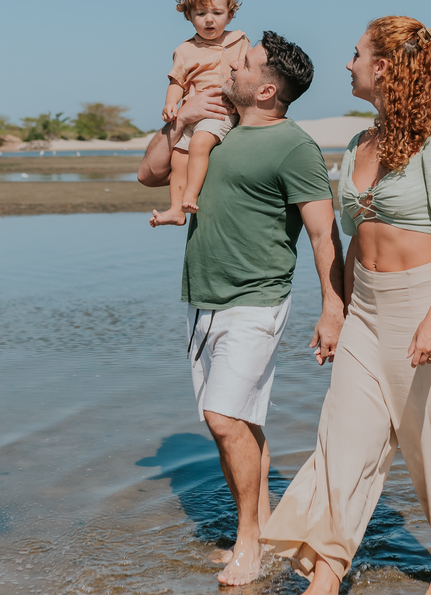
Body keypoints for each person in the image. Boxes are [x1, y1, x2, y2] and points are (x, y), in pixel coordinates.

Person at [260, 16, 431, 595]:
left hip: (422, 305)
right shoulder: (362, 141)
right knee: (343, 441)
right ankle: (326, 576)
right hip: (363, 309)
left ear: (384, 65)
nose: (349, 63)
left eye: (357, 53)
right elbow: (349, 239)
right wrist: (333, 308)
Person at [138, 31, 346, 586]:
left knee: (223, 418)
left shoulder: (294, 146)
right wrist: (178, 119)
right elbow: (149, 173)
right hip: (201, 294)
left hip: (256, 298)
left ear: (267, 88)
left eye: (245, 64)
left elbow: (324, 233)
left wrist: (333, 308)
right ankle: (266, 527)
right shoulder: (217, 126)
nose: (232, 65)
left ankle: (249, 543)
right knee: (236, 421)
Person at [150, 0, 249, 227]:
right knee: (178, 155)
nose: (209, 19)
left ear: (230, 14)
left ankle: (191, 194)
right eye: (200, 13)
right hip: (190, 111)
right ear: (189, 16)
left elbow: (250, 74)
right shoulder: (185, 50)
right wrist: (170, 104)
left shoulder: (239, 41)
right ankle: (175, 209)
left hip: (219, 111)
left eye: (216, 12)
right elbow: (177, 83)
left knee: (200, 143)